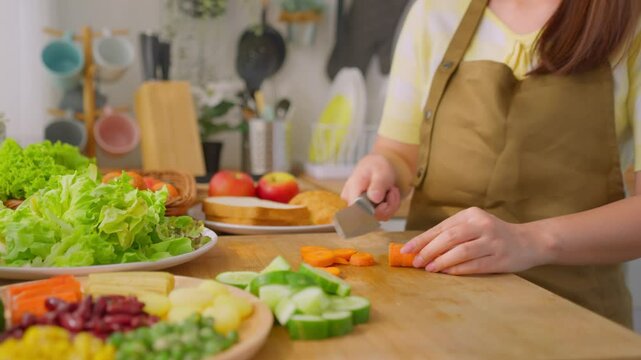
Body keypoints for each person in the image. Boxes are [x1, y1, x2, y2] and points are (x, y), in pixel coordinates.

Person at [341, 0, 641, 327]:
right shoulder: (435, 12)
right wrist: (383, 167)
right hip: (434, 316)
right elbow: (398, 155)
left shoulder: (630, 20)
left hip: (577, 326)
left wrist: (531, 241)